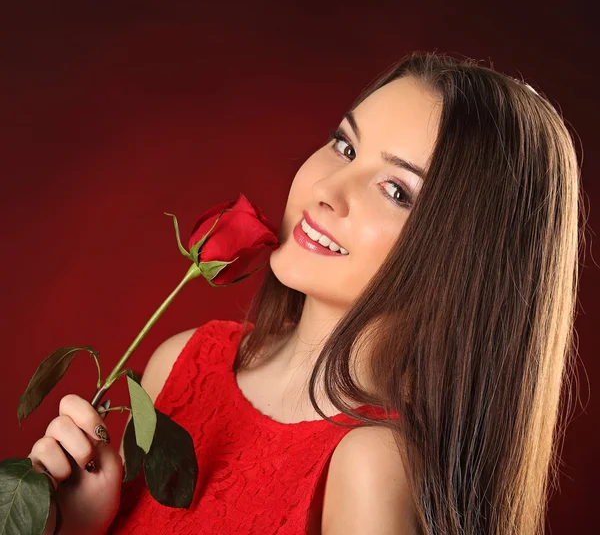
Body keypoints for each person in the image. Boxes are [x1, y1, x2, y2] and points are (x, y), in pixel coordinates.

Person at [28, 52, 581, 535]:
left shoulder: (371, 467)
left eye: (395, 190)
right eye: (344, 146)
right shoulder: (181, 362)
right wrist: (82, 528)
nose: (326, 191)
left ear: (469, 255)